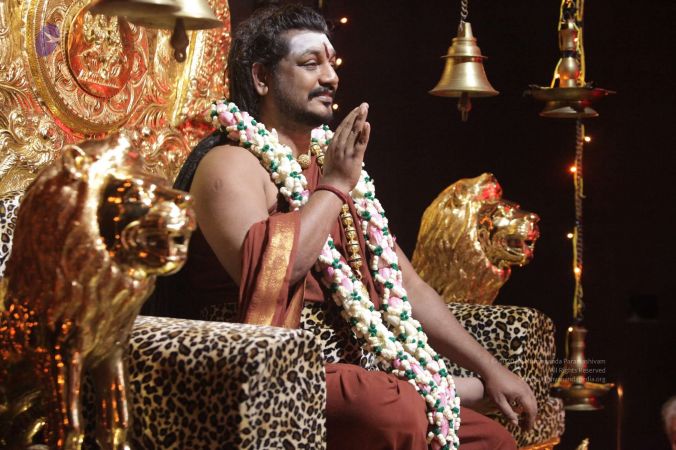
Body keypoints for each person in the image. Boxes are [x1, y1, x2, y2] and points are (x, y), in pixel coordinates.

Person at [152, 4, 537, 449]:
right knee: (393, 411)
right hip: (272, 367)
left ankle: (440, 388)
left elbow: (407, 286)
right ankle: (437, 389)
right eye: (310, 63)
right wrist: (334, 186)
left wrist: (490, 368)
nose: (331, 77)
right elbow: (270, 278)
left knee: (491, 441)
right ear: (261, 77)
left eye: (332, 63)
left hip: (363, 370)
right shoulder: (230, 163)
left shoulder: (331, 163)